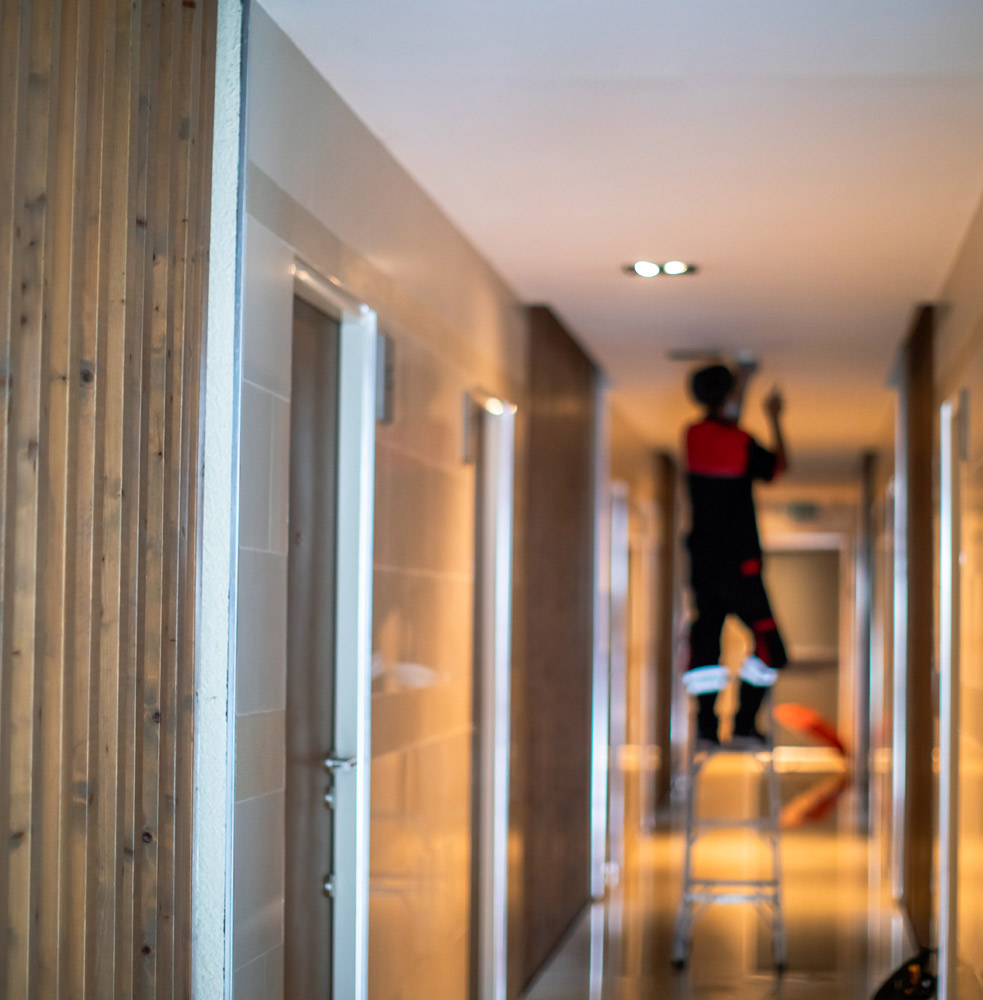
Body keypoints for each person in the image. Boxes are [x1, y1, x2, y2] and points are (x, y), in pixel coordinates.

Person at [681, 360, 789, 748]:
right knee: (770, 647)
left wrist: (740, 385)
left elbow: (726, 424)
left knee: (707, 641)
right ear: (727, 397)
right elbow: (776, 467)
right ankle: (744, 724)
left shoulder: (693, 436)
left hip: (704, 565)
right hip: (739, 565)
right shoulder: (737, 442)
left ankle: (706, 729)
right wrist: (774, 417)